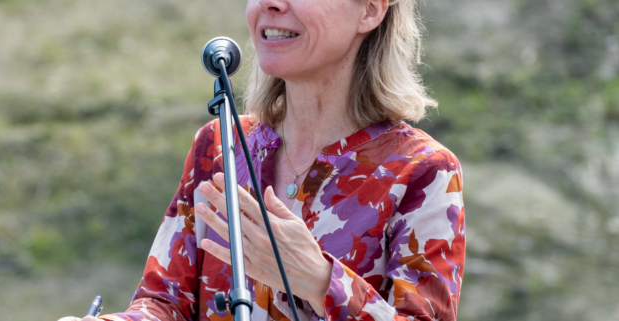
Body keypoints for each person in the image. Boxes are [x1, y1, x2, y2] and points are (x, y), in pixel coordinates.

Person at [60, 0, 465, 320]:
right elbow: (164, 305)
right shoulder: (219, 145)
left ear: (371, 9)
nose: (268, 3)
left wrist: (322, 282)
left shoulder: (423, 171)